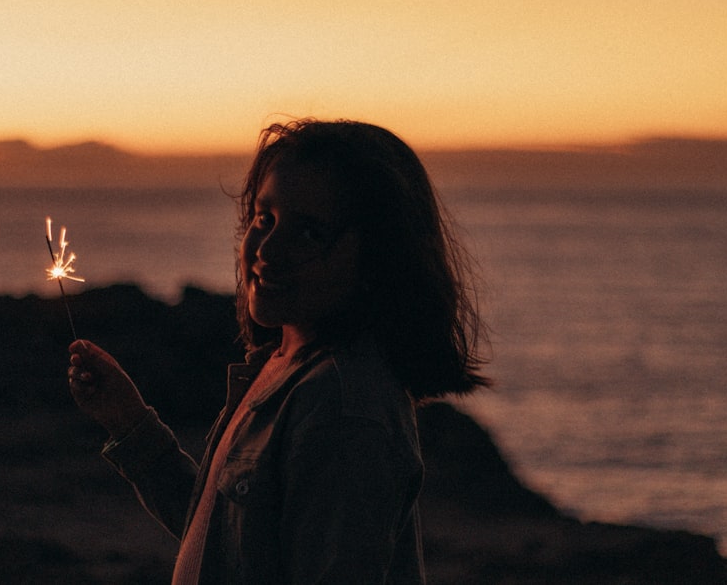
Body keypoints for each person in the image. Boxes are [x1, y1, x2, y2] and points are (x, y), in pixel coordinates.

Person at [68, 119, 488, 584]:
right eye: (263, 218)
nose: (267, 248)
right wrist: (129, 423)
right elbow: (226, 543)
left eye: (309, 232)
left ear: (377, 256)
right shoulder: (281, 371)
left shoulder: (343, 409)